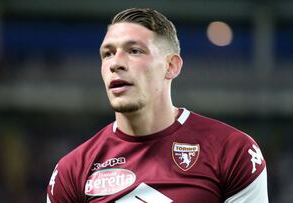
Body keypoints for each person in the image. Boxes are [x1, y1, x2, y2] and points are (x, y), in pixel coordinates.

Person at [46, 8, 268, 203]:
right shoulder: (72, 171)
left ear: (171, 66)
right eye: (108, 54)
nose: (116, 63)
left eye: (134, 51)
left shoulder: (233, 151)